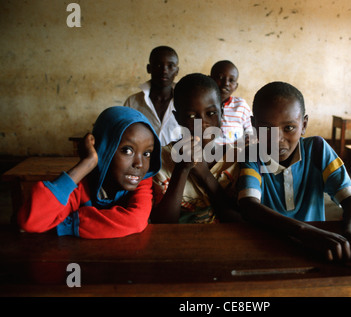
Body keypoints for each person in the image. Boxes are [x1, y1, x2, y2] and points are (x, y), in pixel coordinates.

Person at [237, 81, 351, 267]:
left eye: (289, 128)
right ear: (254, 125)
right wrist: (304, 232)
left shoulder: (317, 149)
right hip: (267, 246)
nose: (278, 139)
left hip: (318, 250)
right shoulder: (252, 155)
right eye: (267, 129)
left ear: (304, 125)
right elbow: (249, 206)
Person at [17, 106, 162, 239]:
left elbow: (135, 221)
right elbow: (31, 221)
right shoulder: (81, 184)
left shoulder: (142, 182)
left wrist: (66, 224)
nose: (139, 164)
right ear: (102, 148)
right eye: (127, 150)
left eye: (147, 153)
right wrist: (87, 163)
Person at [150, 73, 243, 224]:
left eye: (211, 113)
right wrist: (182, 169)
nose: (203, 123)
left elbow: (239, 221)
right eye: (191, 116)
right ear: (177, 117)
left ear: (222, 112)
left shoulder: (236, 159)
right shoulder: (160, 160)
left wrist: (205, 174)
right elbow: (162, 225)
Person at [124, 46, 182, 146]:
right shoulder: (133, 102)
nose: (164, 70)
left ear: (177, 70)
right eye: (158, 65)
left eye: (170, 65)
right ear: (149, 68)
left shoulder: (185, 101)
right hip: (143, 160)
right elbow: (125, 135)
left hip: (177, 160)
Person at [210, 60, 253, 145]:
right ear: (210, 79)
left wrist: (249, 139)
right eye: (220, 77)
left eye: (231, 80)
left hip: (236, 152)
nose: (226, 83)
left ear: (236, 86)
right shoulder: (202, 105)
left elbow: (250, 130)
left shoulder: (241, 105)